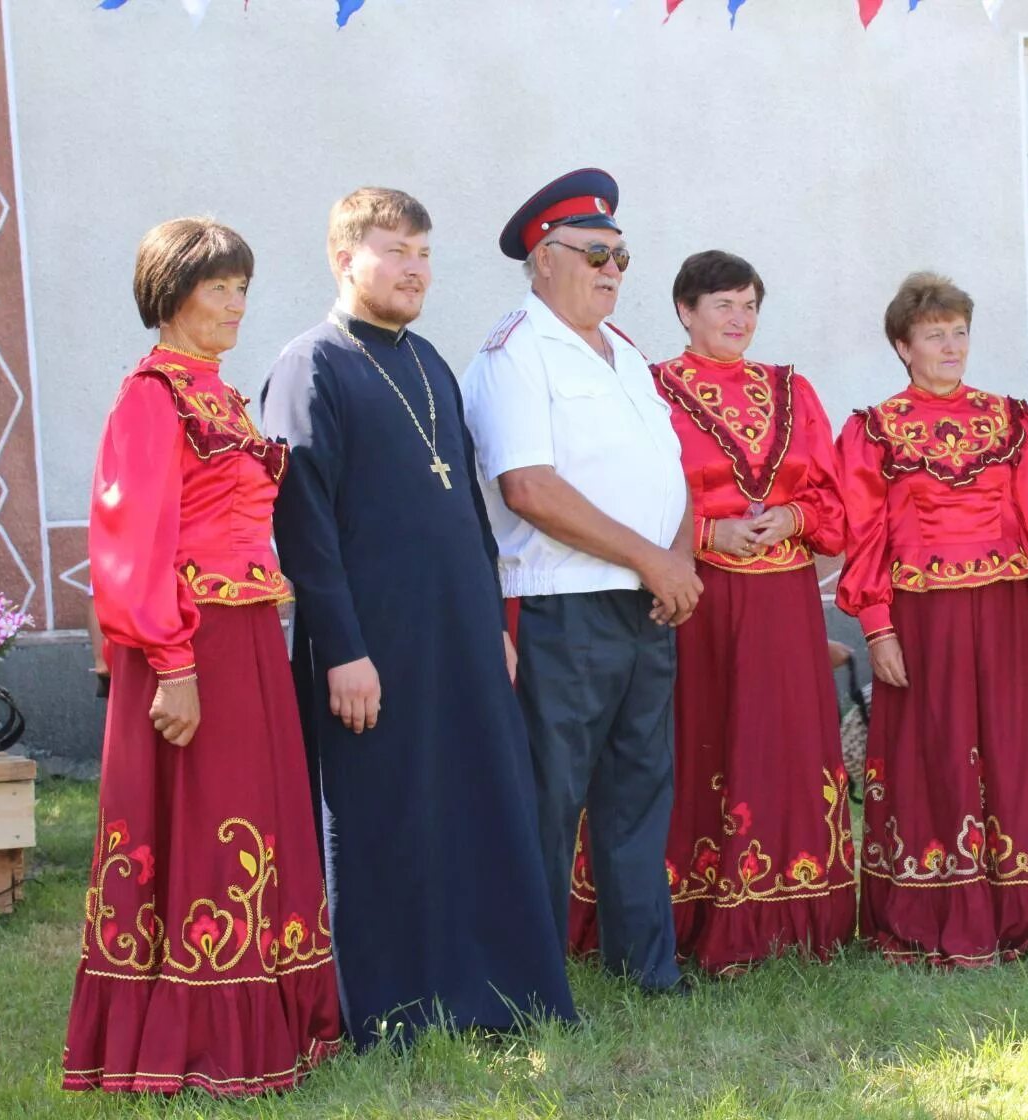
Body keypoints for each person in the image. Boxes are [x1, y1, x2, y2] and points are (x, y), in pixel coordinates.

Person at [261, 188, 574, 1044]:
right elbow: (305, 528)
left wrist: (494, 630)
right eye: (395, 250)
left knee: (474, 805)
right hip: (371, 648)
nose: (415, 269)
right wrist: (342, 651)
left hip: (459, 640)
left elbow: (467, 511)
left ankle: (491, 990)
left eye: (425, 253)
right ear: (344, 258)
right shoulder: (310, 367)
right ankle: (393, 1008)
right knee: (386, 821)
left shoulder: (430, 360)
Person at [62, 218, 341, 1095]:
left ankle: (277, 1016)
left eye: (240, 289)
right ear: (169, 294)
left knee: (261, 817)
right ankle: (201, 1037)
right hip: (193, 640)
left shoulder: (218, 393)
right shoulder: (152, 394)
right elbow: (129, 541)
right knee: (211, 824)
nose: (234, 306)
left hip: (253, 633)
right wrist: (171, 664)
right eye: (217, 288)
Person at [567, 251, 855, 973]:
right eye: (724, 304)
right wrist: (704, 533)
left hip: (785, 598)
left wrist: (790, 516)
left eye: (751, 305)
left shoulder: (794, 390)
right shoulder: (652, 388)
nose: (740, 319)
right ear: (685, 311)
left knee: (781, 740)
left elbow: (832, 498)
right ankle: (688, 910)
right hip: (694, 594)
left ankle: (791, 917)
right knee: (696, 738)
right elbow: (627, 493)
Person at [462, 169, 696, 994]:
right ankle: (522, 980)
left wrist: (678, 563)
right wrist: (651, 558)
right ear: (543, 258)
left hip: (644, 601)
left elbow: (669, 469)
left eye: (623, 256)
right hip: (562, 603)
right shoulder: (516, 350)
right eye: (597, 253)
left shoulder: (623, 351)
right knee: (545, 801)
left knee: (638, 793)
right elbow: (528, 487)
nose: (614, 270)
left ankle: (648, 970)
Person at [836, 272, 1028, 967]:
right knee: (929, 754)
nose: (951, 346)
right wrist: (876, 626)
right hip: (920, 615)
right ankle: (927, 910)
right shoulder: (873, 431)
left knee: (1009, 750)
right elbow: (864, 533)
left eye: (959, 332)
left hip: (1003, 609)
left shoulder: (1012, 419)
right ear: (903, 346)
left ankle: (1016, 916)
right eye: (935, 335)